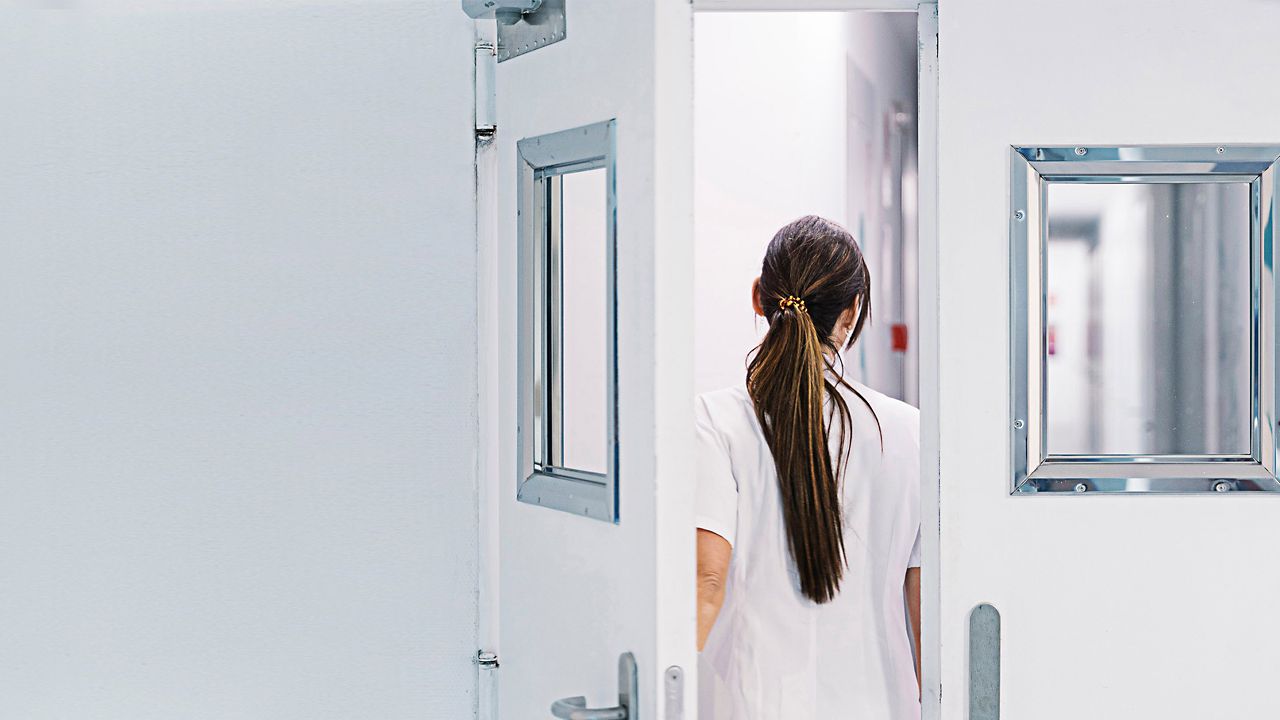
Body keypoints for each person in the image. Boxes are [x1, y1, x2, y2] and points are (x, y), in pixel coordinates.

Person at [695, 215, 922, 719]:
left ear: (759, 297)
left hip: (749, 703)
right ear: (852, 313)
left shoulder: (713, 421)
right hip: (879, 705)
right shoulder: (911, 433)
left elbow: (706, 583)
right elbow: (925, 607)